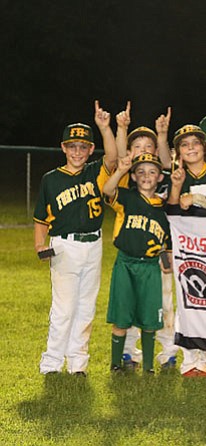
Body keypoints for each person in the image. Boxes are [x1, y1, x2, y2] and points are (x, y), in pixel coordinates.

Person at [34, 111, 117, 376]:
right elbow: (40, 218)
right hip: (64, 246)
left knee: (86, 306)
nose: (77, 152)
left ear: (91, 149)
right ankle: (52, 362)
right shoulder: (51, 179)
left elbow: (113, 158)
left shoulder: (94, 172)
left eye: (83, 147)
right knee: (64, 308)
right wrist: (39, 245)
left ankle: (78, 362)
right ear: (63, 148)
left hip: (93, 244)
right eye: (72, 146)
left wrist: (105, 128)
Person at [114, 107, 179, 372]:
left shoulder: (160, 178)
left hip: (161, 248)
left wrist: (162, 136)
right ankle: (129, 352)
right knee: (129, 304)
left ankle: (168, 351)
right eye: (137, 145)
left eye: (148, 145)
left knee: (163, 303)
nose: (143, 149)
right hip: (132, 254)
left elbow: (165, 164)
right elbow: (120, 158)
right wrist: (121, 130)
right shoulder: (131, 177)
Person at [102, 153, 171, 374]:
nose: (146, 176)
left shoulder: (165, 209)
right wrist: (120, 170)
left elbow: (167, 243)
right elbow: (107, 191)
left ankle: (149, 367)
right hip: (126, 263)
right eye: (140, 171)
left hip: (150, 267)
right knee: (122, 316)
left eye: (152, 172)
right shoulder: (126, 197)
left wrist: (165, 258)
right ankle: (115, 364)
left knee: (150, 317)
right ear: (133, 176)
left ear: (160, 177)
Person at [169, 124, 206, 377]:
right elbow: (171, 210)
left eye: (195, 143)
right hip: (186, 247)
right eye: (184, 144)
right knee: (187, 301)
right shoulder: (176, 175)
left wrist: (195, 199)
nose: (191, 148)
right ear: (178, 152)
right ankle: (190, 359)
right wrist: (176, 187)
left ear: (205, 147)